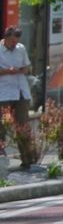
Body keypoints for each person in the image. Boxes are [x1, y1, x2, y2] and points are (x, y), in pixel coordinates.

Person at [0, 25, 34, 167]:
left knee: (23, 125)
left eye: (16, 41)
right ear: (6, 38)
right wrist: (8, 71)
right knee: (2, 126)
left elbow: (28, 67)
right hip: (3, 93)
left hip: (20, 91)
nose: (15, 44)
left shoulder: (21, 48)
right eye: (12, 41)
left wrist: (23, 69)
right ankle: (1, 159)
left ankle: (27, 159)